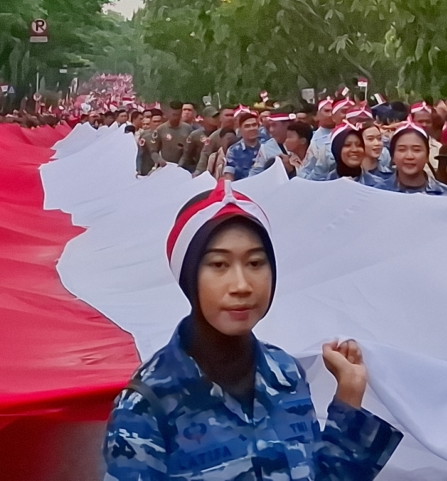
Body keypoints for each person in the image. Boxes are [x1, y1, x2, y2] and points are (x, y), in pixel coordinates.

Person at [104, 184, 401, 480]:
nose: (242, 285)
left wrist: (349, 393)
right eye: (219, 264)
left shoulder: (287, 375)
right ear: (189, 275)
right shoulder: (147, 404)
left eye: (256, 263)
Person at [362, 124, 447, 195]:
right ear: (392, 156)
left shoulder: (443, 193)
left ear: (427, 156)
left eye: (416, 150)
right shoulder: (379, 192)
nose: (409, 156)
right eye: (402, 150)